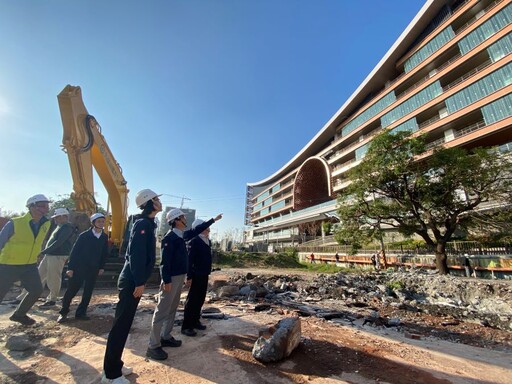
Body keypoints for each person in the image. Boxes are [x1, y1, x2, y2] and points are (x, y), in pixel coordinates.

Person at [102, 189, 162, 384]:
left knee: (124, 324)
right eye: (156, 199)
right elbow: (135, 255)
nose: (159, 201)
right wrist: (139, 282)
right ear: (149, 203)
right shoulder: (143, 224)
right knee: (120, 326)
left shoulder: (148, 224)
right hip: (131, 281)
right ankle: (110, 375)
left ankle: (116, 365)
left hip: (133, 280)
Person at [146, 209, 222, 361]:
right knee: (162, 310)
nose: (185, 220)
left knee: (173, 308)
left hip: (179, 276)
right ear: (176, 220)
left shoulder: (182, 236)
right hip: (171, 278)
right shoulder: (169, 238)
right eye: (182, 217)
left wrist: (213, 220)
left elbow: (197, 230)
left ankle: (166, 336)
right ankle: (153, 346)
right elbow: (164, 263)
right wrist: (166, 280)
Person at [0, 194, 51, 325]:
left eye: (47, 205)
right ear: (31, 207)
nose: (45, 208)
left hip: (29, 265)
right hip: (8, 264)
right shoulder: (15, 222)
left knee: (36, 290)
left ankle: (19, 314)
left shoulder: (46, 223)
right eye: (42, 205)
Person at [57, 212, 108, 323]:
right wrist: (70, 268)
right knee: (72, 290)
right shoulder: (84, 236)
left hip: (93, 269)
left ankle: (81, 313)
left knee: (88, 291)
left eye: (103, 221)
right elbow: (75, 252)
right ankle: (63, 312)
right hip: (79, 267)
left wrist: (101, 267)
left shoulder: (104, 237)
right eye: (99, 221)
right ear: (93, 223)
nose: (101, 223)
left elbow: (104, 253)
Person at [18, 208, 75, 308]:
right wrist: (45, 252)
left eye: (57, 217)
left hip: (58, 255)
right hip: (50, 255)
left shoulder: (67, 228)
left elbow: (58, 243)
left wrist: (43, 252)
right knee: (38, 275)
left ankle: (52, 299)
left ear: (64, 217)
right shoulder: (59, 226)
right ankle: (24, 297)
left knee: (53, 277)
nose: (55, 219)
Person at [181, 218, 217, 335]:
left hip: (204, 274)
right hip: (196, 274)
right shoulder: (194, 241)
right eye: (205, 227)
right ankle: (187, 326)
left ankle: (196, 321)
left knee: (200, 299)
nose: (208, 229)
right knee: (192, 300)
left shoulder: (207, 241)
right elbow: (189, 260)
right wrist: (189, 276)